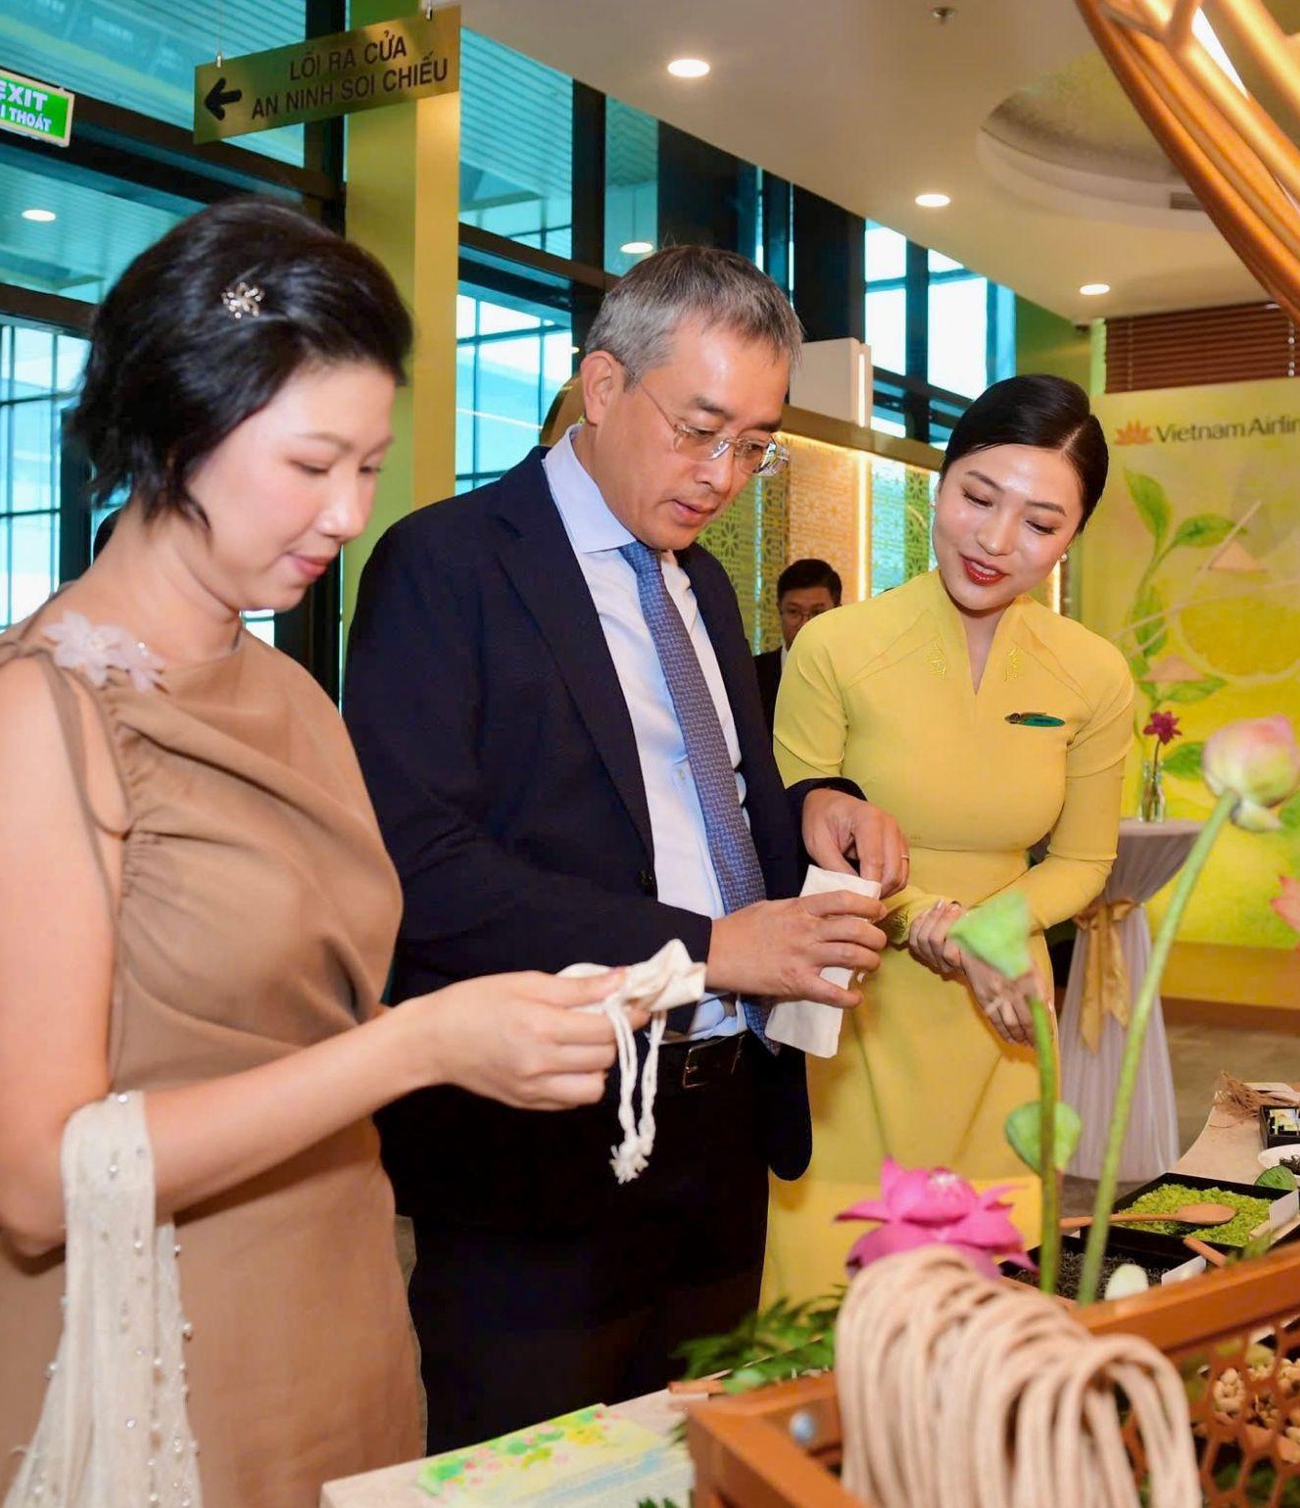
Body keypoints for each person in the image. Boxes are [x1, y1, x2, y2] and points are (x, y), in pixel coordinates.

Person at [0, 200, 645, 1507]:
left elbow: (323, 1005)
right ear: (178, 427)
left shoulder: (290, 692)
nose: (351, 512)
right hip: (155, 1372)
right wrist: (420, 1046)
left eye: (367, 467)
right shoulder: (40, 716)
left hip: (345, 1317)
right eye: (313, 465)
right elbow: (31, 1181)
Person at [343, 244, 904, 1448]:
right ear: (601, 386)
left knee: (698, 1460)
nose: (722, 475)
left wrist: (811, 801)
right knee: (527, 1466)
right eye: (700, 429)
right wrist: (710, 947)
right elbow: (422, 866)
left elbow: (711, 803)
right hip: (539, 1137)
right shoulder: (444, 566)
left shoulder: (699, 586)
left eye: (754, 444)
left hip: (717, 1128)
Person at [761, 374, 1132, 1300]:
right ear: (940, 481)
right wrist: (932, 920)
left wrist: (982, 934)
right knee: (832, 1303)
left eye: (1042, 524)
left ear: (1074, 537)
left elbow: (1086, 860)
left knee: (980, 1301)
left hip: (1003, 1013)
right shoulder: (837, 646)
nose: (998, 541)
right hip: (853, 1004)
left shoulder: (1091, 673)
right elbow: (799, 828)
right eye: (978, 497)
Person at [755, 557, 842, 728]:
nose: (804, 625)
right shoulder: (750, 675)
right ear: (779, 609)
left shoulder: (853, 677)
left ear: (837, 613)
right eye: (794, 612)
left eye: (817, 613)